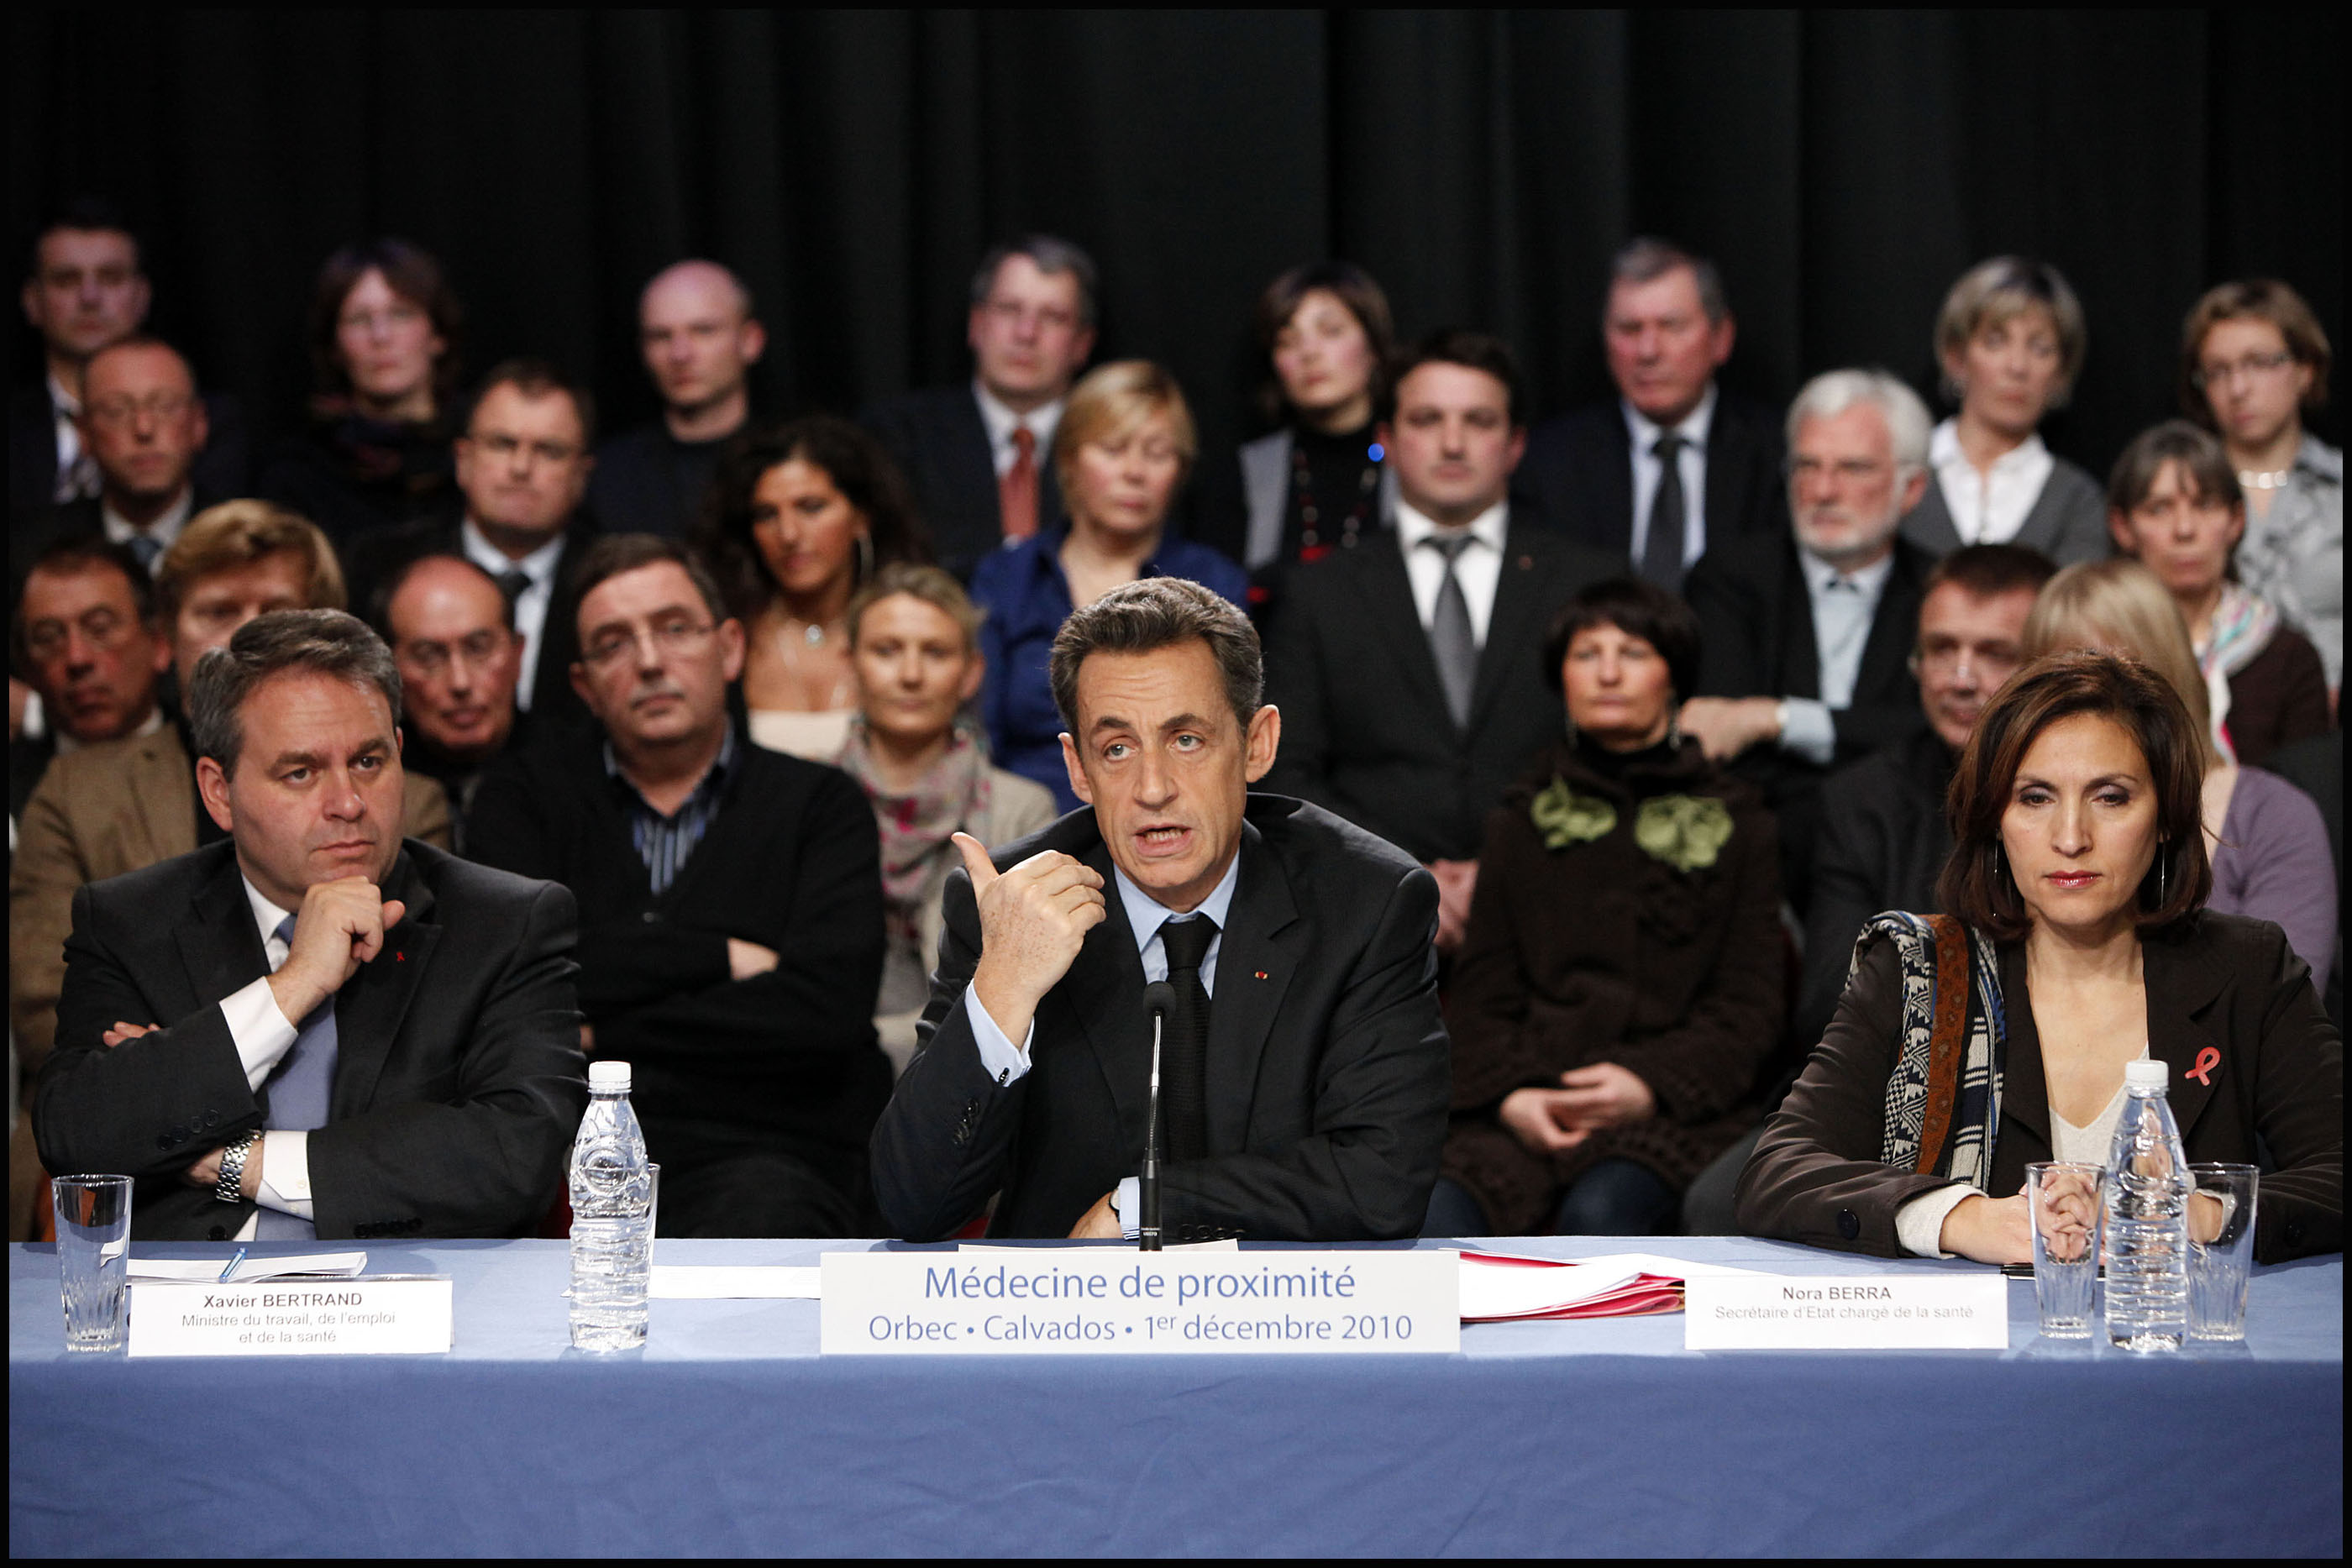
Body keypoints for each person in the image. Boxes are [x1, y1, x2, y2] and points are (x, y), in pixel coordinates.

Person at [870, 577, 1449, 1241]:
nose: (1152, 789)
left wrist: (1144, 1205)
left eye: (1186, 740)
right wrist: (1004, 984)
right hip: (1066, 1305)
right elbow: (915, 1202)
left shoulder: (1366, 904)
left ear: (1257, 743)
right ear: (1078, 768)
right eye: (1116, 749)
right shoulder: (1011, 904)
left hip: (1292, 1301)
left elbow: (1382, 1181)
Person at [1737, 650, 2340, 1263]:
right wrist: (1959, 1217)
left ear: (2165, 816)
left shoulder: (2247, 968)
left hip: (2172, 1319)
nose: (2071, 838)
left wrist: (2200, 1213)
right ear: (1994, 818)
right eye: (2034, 798)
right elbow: (1778, 1171)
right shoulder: (1921, 970)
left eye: (2110, 797)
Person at [34, 608, 585, 1240]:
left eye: (369, 761)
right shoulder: (131, 923)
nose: (348, 803)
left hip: (421, 1292)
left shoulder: (505, 923)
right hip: (190, 1296)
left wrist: (236, 1161)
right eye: (300, 772)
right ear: (219, 791)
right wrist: (292, 986)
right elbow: (79, 1137)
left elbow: (517, 1159)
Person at [467, 536, 889, 1237]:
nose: (650, 661)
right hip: (572, 1156)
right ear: (584, 685)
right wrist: (717, 957)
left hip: (781, 1154)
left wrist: (603, 1033)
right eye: (613, 643)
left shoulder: (821, 804)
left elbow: (824, 1014)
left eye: (674, 628)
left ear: (730, 648)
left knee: (764, 1212)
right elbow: (515, 987)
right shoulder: (519, 800)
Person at [10, 501, 453, 1090]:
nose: (247, 634)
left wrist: (174, 1063)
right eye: (218, 611)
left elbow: (414, 1030)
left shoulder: (402, 802)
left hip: (346, 1120)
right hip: (114, 1132)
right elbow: (49, 1018)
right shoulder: (76, 792)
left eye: (277, 611)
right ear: (166, 639)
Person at [1426, 579, 1782, 1237]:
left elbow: (1748, 1006)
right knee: (1436, 1213)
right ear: (1561, 676)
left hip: (1670, 1109)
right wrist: (1513, 1097)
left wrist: (1647, 1083)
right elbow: (1482, 996)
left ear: (1674, 675)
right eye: (1587, 654)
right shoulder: (1521, 817)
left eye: (1634, 652)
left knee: (1602, 1211)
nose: (1608, 673)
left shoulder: (1740, 821)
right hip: (1528, 1093)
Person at [1265, 330, 1618, 954]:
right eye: (1427, 420)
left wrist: (1510, 872)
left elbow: (1618, 757)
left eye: (1478, 421)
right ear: (1387, 439)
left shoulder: (1589, 583)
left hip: (1564, 919)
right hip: (1364, 927)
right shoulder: (1318, 594)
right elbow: (1288, 774)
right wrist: (1405, 877)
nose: (1453, 443)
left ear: (1515, 444)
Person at [1681, 368, 1938, 912]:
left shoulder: (1940, 591)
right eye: (1807, 466)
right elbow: (1719, 735)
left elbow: (1941, 730)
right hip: (1757, 860)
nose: (1823, 490)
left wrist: (1774, 718)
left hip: (1908, 858)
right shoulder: (1729, 578)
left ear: (1911, 488)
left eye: (1853, 468)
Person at [2023, 558, 2335, 997]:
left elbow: (2283, 1006)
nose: (2080, 705)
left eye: (2103, 678)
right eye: (2055, 681)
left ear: (2165, 670)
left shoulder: (2272, 814)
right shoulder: (2011, 810)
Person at [1798, 544, 2056, 1055]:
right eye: (1941, 649)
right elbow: (1831, 999)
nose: (1960, 680)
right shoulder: (1862, 799)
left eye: (1995, 654)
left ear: (2049, 663)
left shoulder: (2085, 802)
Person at [972, 360, 1247, 810]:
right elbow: (980, 737)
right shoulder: (1007, 577)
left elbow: (1226, 740)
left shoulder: (1213, 582)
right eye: (1114, 449)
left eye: (1158, 453)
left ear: (1180, 471)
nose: (1135, 472)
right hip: (1027, 821)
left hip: (1167, 811)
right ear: (1068, 458)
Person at [835, 564, 1056, 1073]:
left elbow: (1027, 989)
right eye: (886, 650)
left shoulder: (1023, 810)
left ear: (971, 672)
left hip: (970, 1073)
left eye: (935, 652)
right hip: (823, 1076)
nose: (911, 674)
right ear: (850, 665)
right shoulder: (805, 801)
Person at [342, 359, 599, 734]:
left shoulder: (611, 583)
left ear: (582, 476)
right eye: (502, 444)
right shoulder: (379, 565)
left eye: (549, 450)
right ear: (463, 460)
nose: (521, 467)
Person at [1516, 239, 1788, 590]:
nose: (1648, 351)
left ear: (1721, 338)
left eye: (1671, 326)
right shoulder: (1551, 461)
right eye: (1629, 329)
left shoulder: (1776, 454)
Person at [696, 416, 931, 761]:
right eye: (766, 514)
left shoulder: (916, 627)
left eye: (811, 508)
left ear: (861, 517)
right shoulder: (730, 638)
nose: (789, 534)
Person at [863, 236, 1098, 578]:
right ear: (976, 324)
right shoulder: (898, 437)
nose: (1026, 333)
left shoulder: (1113, 446)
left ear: (1083, 343)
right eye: (1009, 309)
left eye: (1053, 317)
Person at [10, 198, 249, 530]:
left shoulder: (210, 424)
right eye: (66, 280)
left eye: (110, 278)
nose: (90, 298)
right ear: (32, 301)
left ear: (142, 296)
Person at [2106, 419, 2328, 768]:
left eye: (2205, 504)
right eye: (2159, 508)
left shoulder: (2290, 659)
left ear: (2236, 520)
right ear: (2123, 527)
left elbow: (2308, 790)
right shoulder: (2100, 648)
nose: (2184, 529)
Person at [1195, 261, 1398, 601]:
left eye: (1331, 331)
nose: (1309, 353)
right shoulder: (1247, 472)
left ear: (1374, 346)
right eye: (1287, 341)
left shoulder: (1411, 458)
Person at [2182, 279, 2341, 693]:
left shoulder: (2338, 487)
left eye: (2259, 363)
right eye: (2218, 371)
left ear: (2305, 369)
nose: (2238, 388)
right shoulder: (2177, 496)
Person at [1901, 257, 2108, 565]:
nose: (2017, 366)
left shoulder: (2078, 501)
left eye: (2040, 349)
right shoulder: (1900, 474)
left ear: (2061, 372)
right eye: (1995, 342)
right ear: (1957, 357)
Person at [260, 239, 465, 543]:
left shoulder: (484, 450)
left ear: (438, 334)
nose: (380, 336)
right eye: (358, 319)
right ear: (334, 347)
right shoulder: (298, 474)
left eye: (401, 314)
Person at [13, 337, 227, 587]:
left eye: (166, 406)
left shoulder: (243, 545)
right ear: (83, 433)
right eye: (116, 411)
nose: (144, 428)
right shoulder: (29, 555)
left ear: (199, 423)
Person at [587, 260, 766, 538]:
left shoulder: (791, 462)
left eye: (703, 330)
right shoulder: (607, 477)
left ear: (750, 341)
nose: (680, 354)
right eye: (660, 336)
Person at [10, 538, 171, 820]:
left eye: (100, 629)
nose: (77, 658)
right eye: (48, 638)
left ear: (159, 643)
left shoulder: (219, 767)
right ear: (28, 668)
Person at [375, 554, 528, 842]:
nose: (460, 682)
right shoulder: (366, 785)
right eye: (428, 656)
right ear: (389, 669)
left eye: (479, 648)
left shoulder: (575, 777)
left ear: (517, 654)